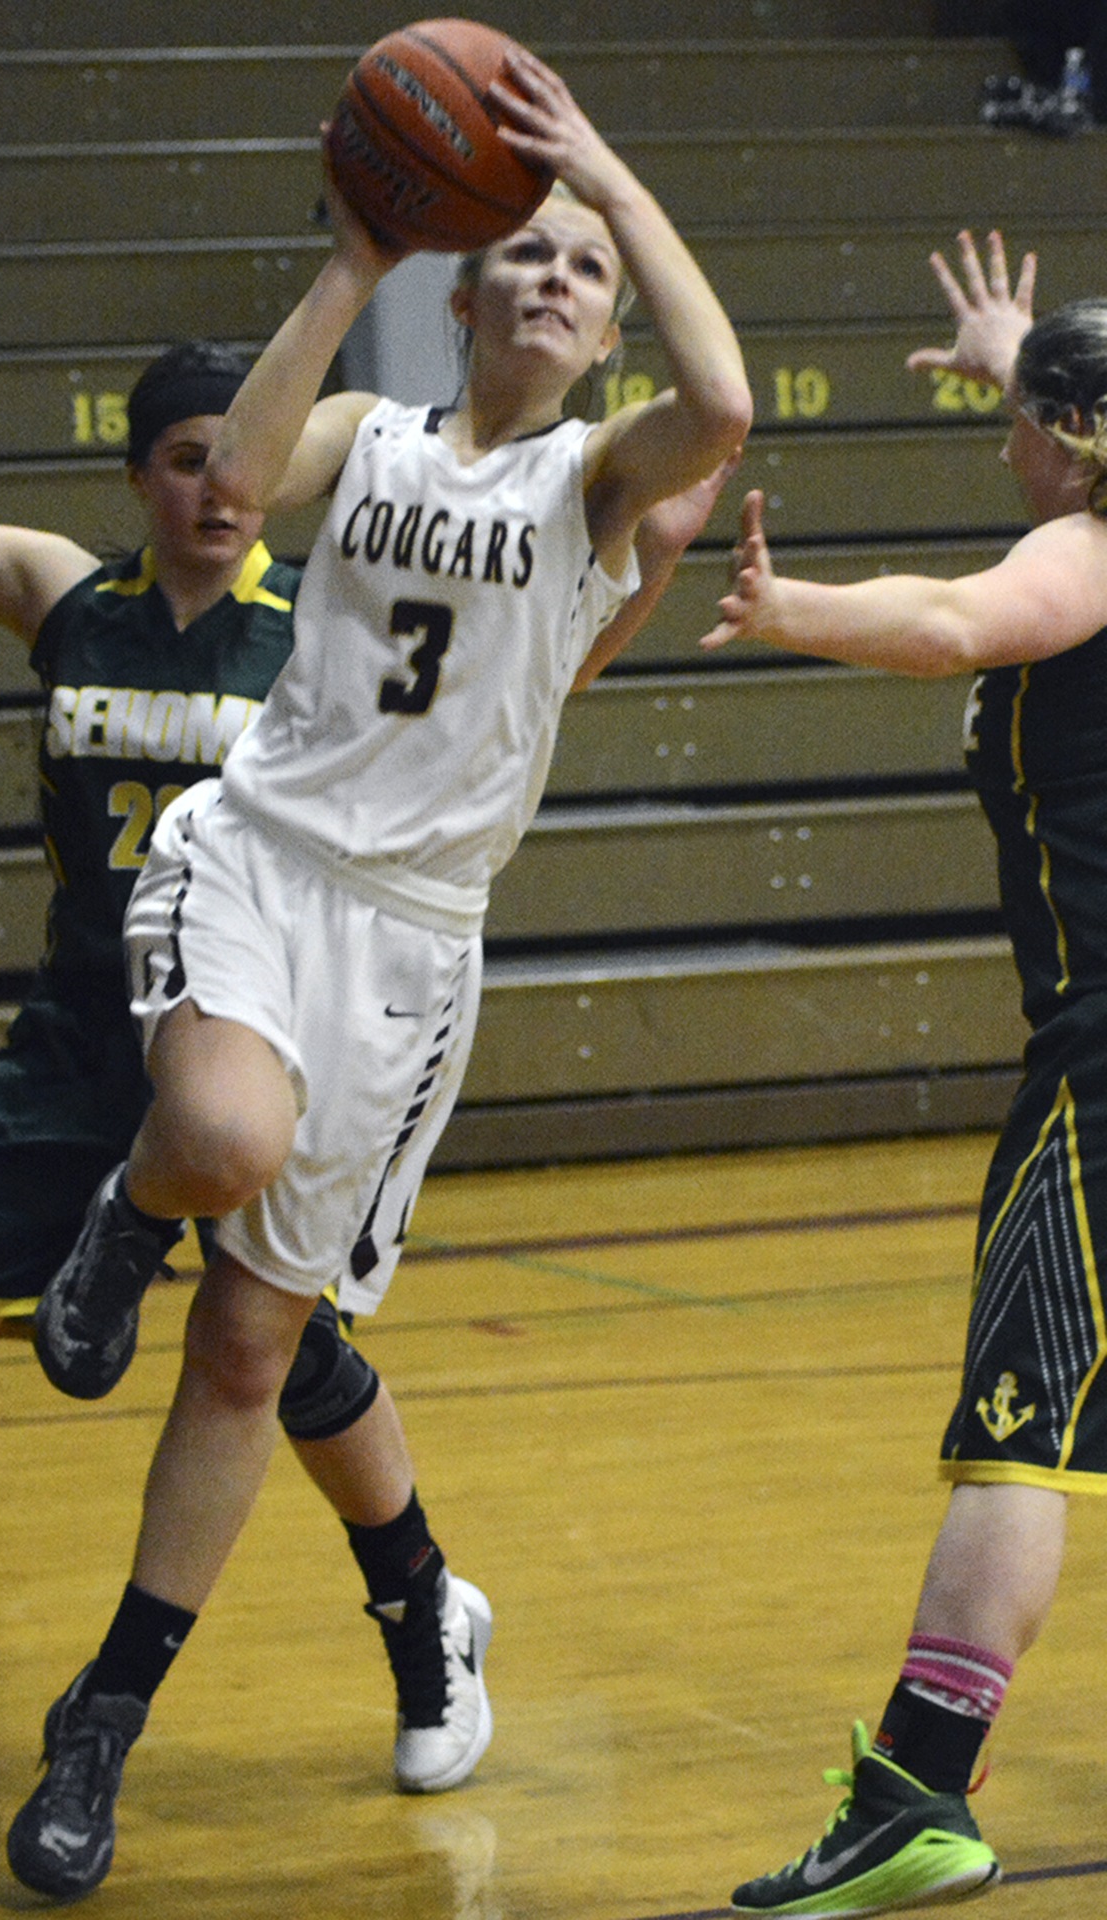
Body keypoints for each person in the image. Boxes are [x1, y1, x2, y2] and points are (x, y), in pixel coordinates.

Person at [6, 47, 751, 1903]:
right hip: (262, 857)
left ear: (599, 331)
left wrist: (609, 173)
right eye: (536, 258)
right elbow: (238, 486)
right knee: (219, 1130)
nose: (565, 284)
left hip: (412, 948)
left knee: (257, 1344)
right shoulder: (377, 438)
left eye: (591, 274)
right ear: (474, 281)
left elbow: (722, 399)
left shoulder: (600, 486)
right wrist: (356, 260)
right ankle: (127, 1212)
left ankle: (107, 1717)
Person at [0, 341, 499, 1810]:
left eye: (231, 456)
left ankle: (424, 1611)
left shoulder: (325, 629)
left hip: (258, 1026)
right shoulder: (65, 597)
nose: (216, 486)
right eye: (183, 459)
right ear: (137, 475)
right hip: (81, 1028)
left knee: (284, 1362)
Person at [703, 229, 1107, 1916]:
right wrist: (1021, 343)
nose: (1004, 434)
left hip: (1106, 1068)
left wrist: (787, 608)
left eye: (1029, 417)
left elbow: (953, 621)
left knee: (1016, 1432)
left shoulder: (1088, 544)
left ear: (1075, 440)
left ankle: (920, 1796)